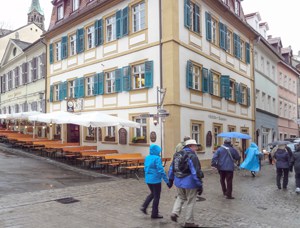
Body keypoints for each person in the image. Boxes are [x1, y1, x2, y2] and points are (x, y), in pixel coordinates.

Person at [168, 139, 203, 228]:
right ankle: (189, 222)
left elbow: (172, 168)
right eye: (195, 146)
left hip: (178, 181)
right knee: (191, 201)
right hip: (190, 183)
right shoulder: (192, 156)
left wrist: (171, 180)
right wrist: (199, 184)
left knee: (180, 197)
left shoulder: (177, 154)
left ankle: (175, 213)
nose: (196, 148)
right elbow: (195, 172)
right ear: (190, 146)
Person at [140, 144, 171, 219]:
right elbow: (161, 170)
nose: (159, 152)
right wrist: (167, 181)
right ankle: (154, 213)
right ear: (156, 151)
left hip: (148, 179)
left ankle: (144, 206)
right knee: (156, 196)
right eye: (159, 151)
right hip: (155, 180)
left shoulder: (147, 157)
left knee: (152, 194)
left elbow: (145, 168)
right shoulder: (157, 158)